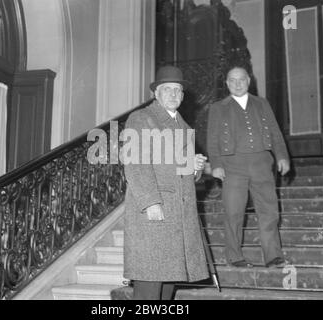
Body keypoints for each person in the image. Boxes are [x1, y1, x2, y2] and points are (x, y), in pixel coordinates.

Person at [123, 65, 209, 300]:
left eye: (178, 90)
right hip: (155, 211)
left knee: (168, 286)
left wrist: (194, 167)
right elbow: (135, 163)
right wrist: (150, 202)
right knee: (149, 285)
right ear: (156, 93)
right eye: (167, 89)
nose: (173, 94)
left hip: (178, 217)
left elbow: (180, 169)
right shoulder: (142, 118)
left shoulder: (183, 126)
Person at [207, 66, 290, 268]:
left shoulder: (262, 103)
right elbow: (212, 140)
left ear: (249, 81)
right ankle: (235, 256)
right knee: (233, 212)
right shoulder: (218, 107)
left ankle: (273, 255)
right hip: (232, 166)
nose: (237, 84)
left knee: (269, 211)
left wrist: (282, 156)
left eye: (241, 80)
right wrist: (216, 165)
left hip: (262, 164)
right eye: (232, 80)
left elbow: (275, 133)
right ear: (226, 83)